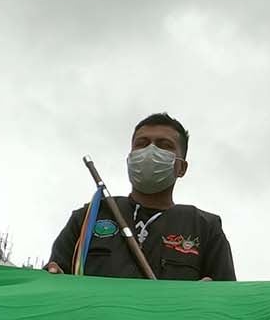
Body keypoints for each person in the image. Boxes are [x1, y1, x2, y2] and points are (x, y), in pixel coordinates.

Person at [46, 113, 236, 280]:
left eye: (164, 145)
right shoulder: (88, 217)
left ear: (182, 168)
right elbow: (54, 279)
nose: (150, 151)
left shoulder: (205, 227)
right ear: (129, 159)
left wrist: (209, 296)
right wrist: (52, 275)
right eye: (141, 144)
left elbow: (227, 298)